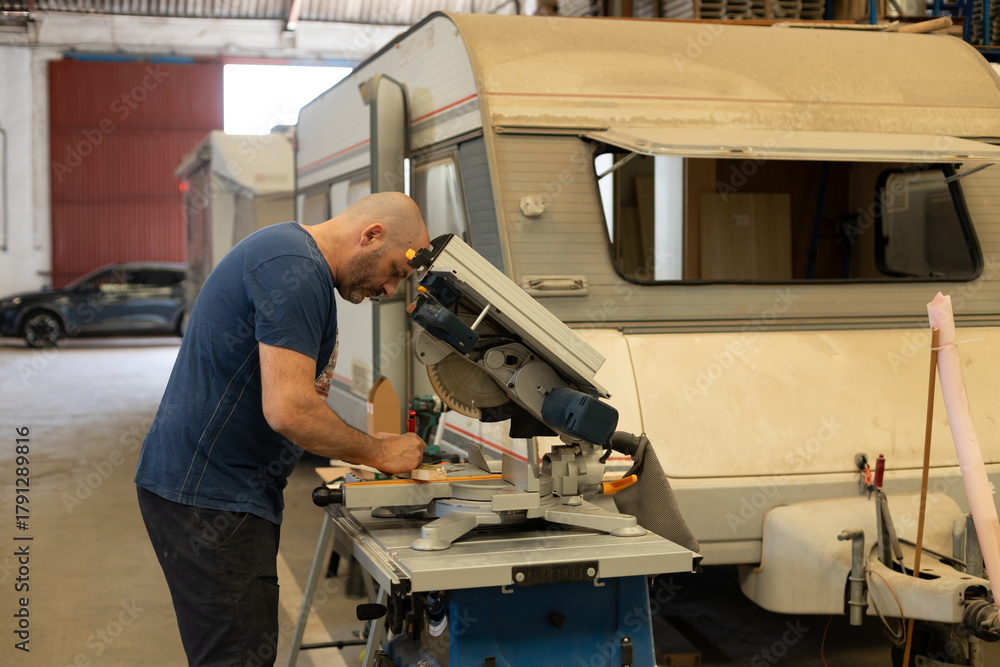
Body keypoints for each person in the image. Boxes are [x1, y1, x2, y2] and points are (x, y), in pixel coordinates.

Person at [134, 191, 430, 666]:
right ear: (371, 235)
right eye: (395, 270)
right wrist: (377, 452)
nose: (391, 288)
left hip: (216, 491)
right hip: (210, 497)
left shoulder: (296, 260)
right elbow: (289, 409)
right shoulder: (294, 269)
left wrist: (368, 444)